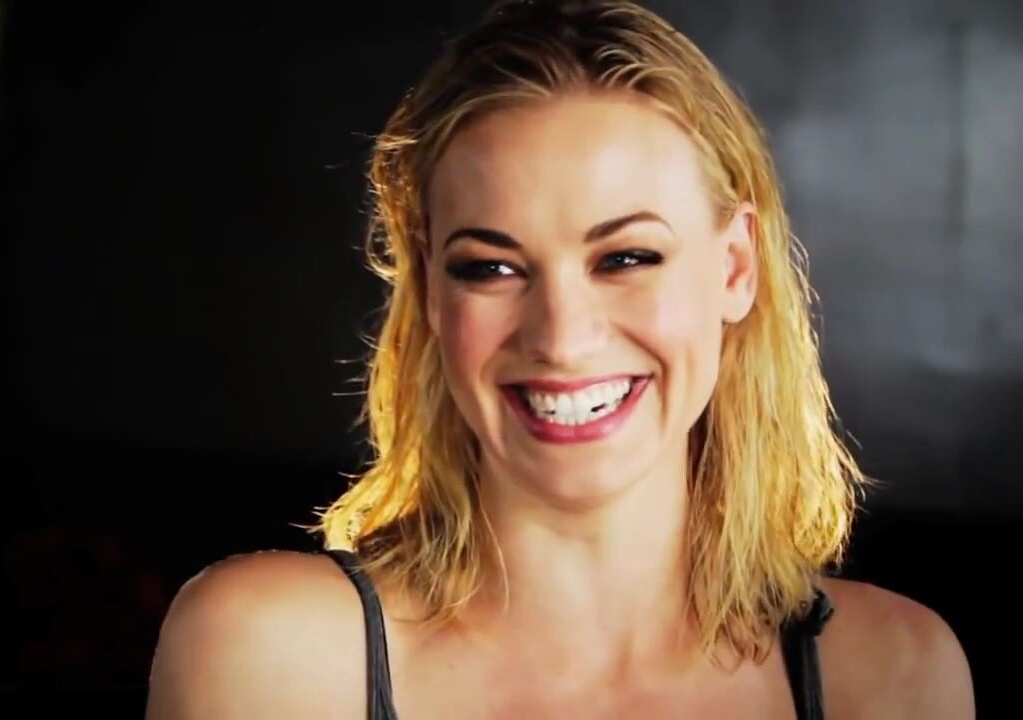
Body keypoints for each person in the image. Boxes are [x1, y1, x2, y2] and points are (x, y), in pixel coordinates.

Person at [145, 1, 975, 717]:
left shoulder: (894, 676)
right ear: (430, 289)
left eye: (626, 258)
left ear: (734, 269)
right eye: (492, 268)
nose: (562, 338)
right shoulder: (265, 654)